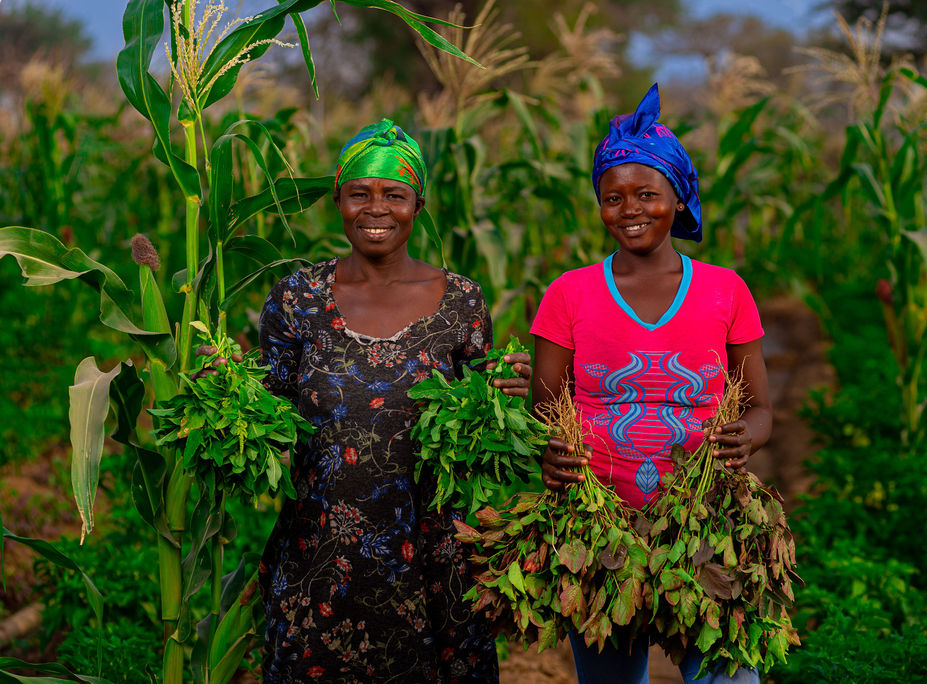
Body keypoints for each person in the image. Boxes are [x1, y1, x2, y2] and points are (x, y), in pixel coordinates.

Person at [257, 118, 530, 683]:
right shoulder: (297, 299)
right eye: (359, 193)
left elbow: (479, 420)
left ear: (418, 204)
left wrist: (508, 389)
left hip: (433, 557)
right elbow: (269, 409)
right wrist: (224, 394)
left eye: (394, 195)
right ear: (338, 200)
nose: (375, 208)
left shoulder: (461, 302)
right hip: (321, 553)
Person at [529, 84, 770, 684]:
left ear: (679, 198)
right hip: (598, 528)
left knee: (728, 676)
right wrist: (550, 449)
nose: (630, 209)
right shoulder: (569, 294)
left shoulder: (725, 290)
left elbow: (761, 406)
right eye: (613, 198)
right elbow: (543, 407)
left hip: (705, 523)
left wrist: (750, 437)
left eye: (646, 194)